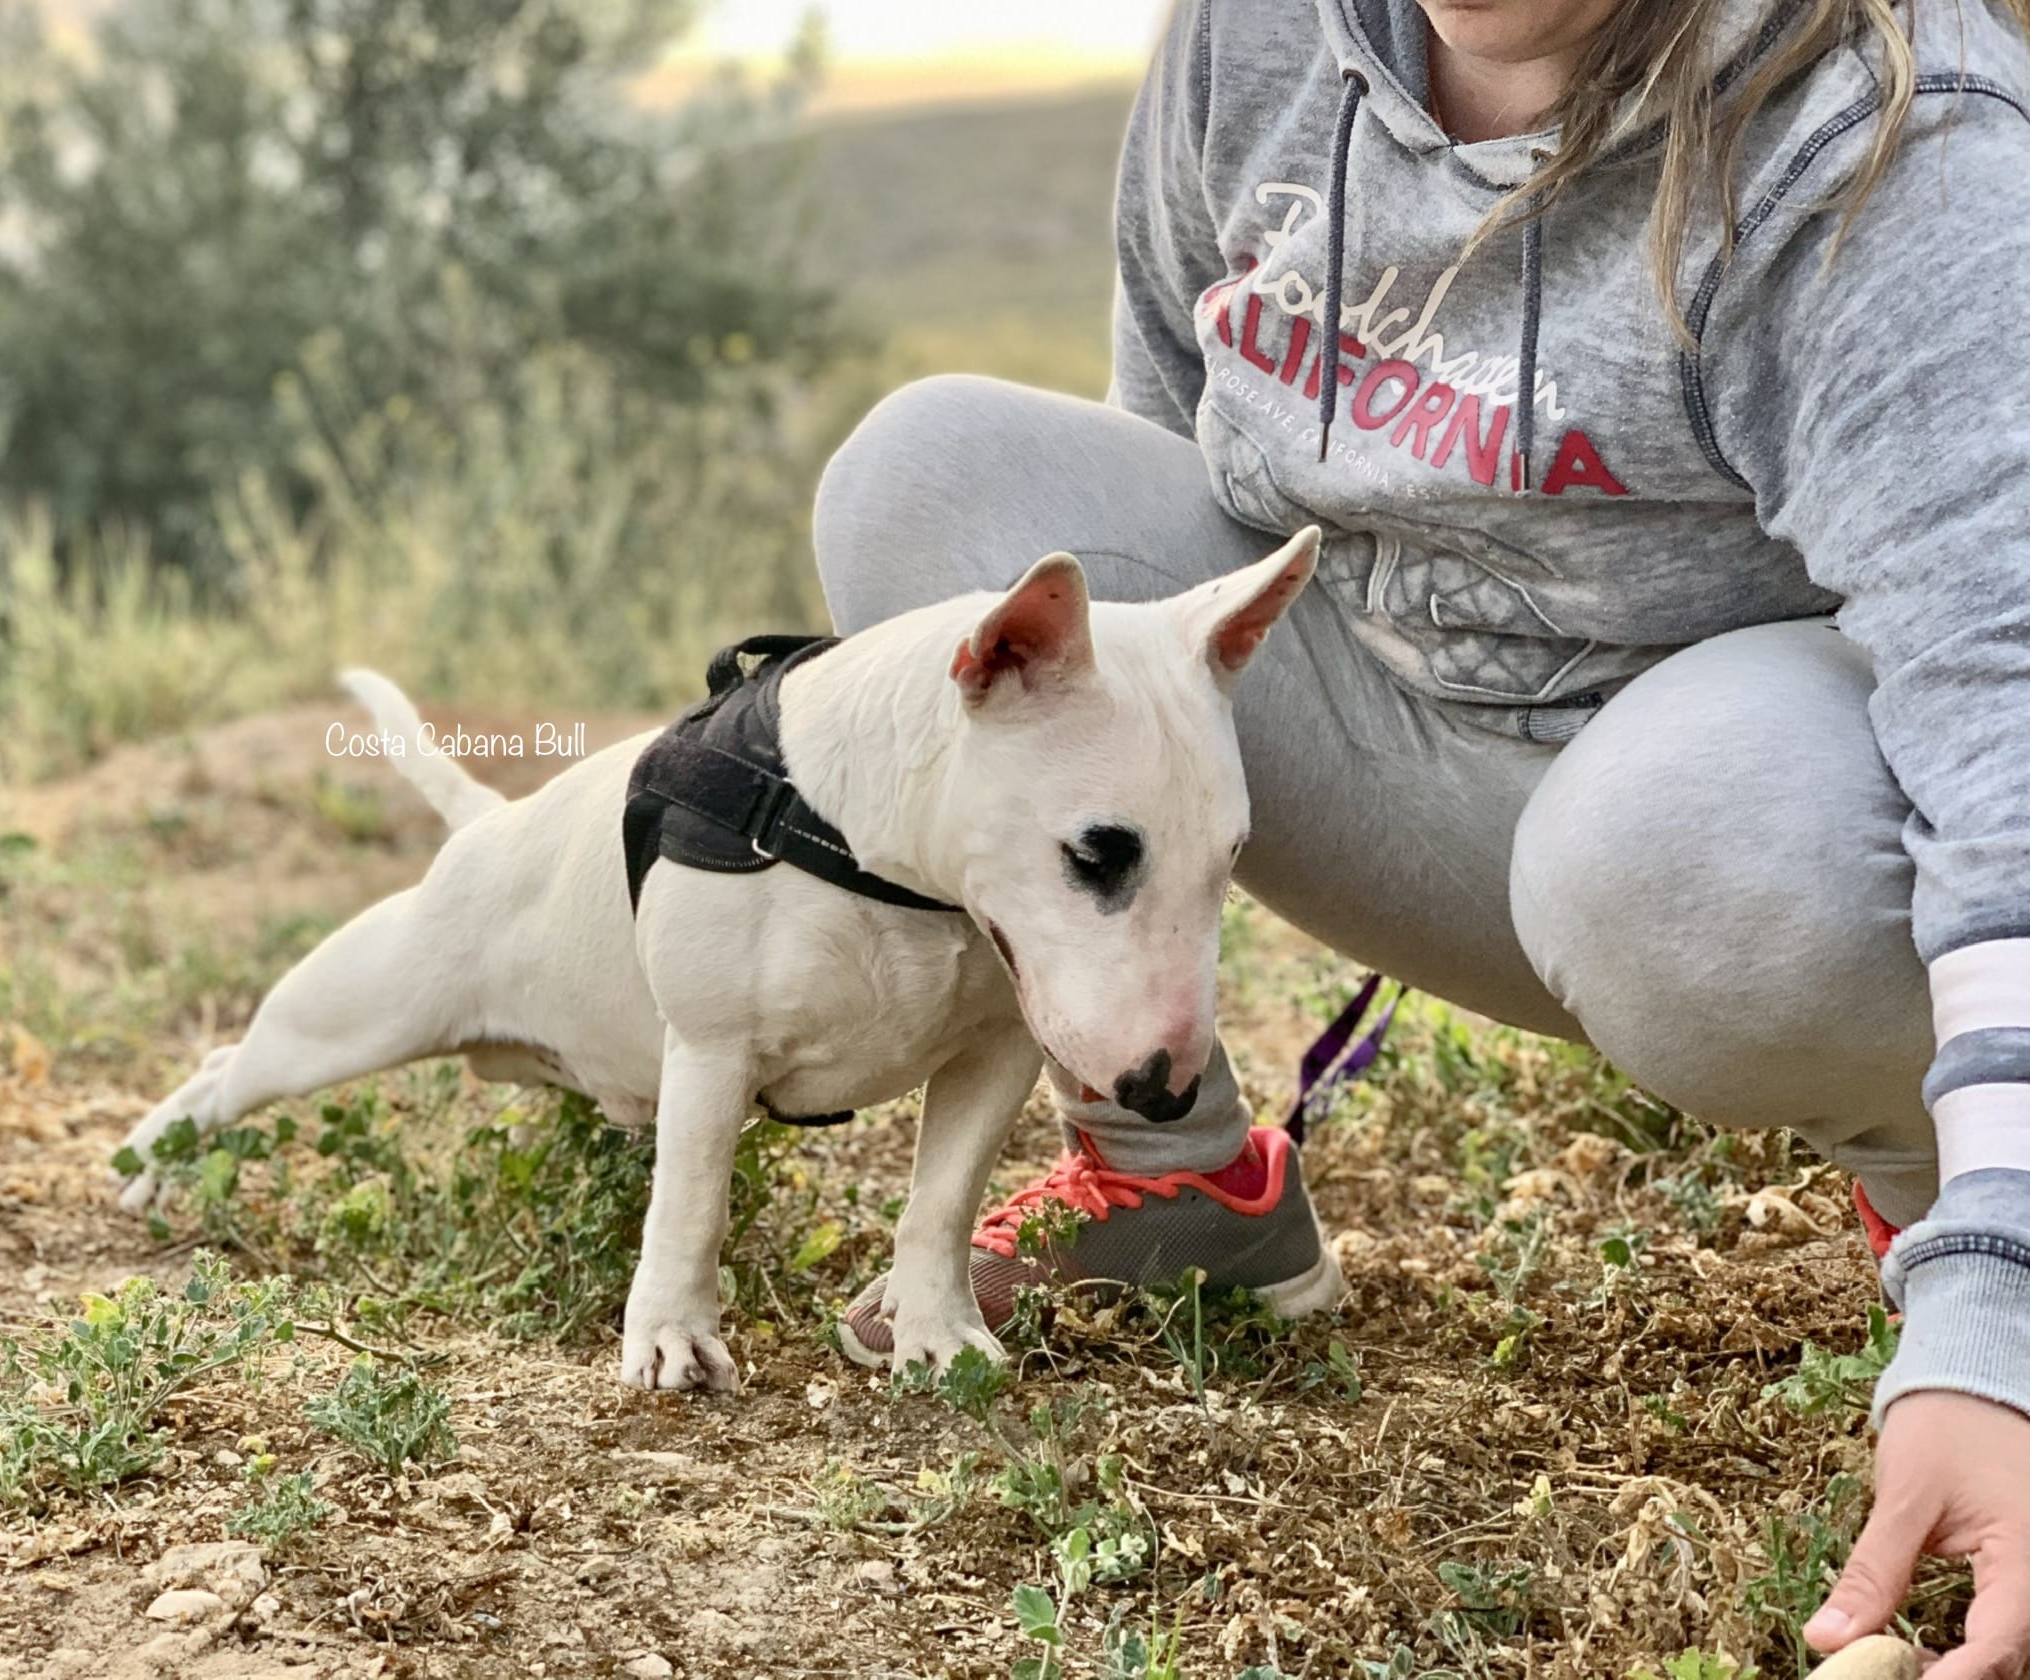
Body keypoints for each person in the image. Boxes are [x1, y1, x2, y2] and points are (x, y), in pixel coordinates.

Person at [812, 0, 2030, 1669]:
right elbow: (1158, 499)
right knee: (934, 482)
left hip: (1764, 820)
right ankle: (1181, 1180)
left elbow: (2007, 708)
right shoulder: (1249, 37)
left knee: (1684, 842)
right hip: (1410, 755)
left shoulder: (1890, 132)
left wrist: (2001, 1309)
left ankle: (1943, 1193)